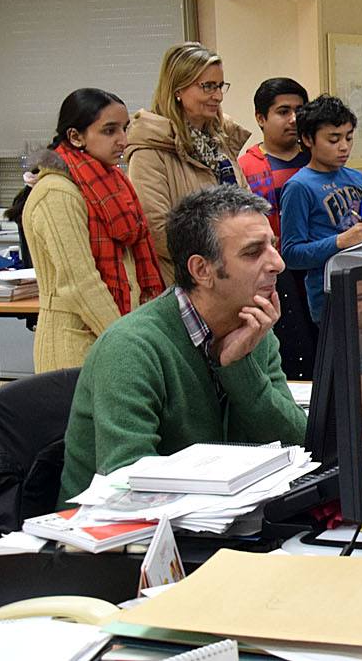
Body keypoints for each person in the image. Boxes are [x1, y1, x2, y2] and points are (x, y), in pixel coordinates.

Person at [59, 185, 306, 500]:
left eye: (273, 245)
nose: (278, 263)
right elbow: (127, 480)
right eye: (253, 252)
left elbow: (296, 446)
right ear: (202, 270)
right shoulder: (131, 347)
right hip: (113, 537)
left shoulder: (253, 328)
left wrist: (237, 366)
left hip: (218, 522)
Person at [23, 88, 165, 371]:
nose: (122, 140)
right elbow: (80, 283)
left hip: (115, 337)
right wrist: (127, 341)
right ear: (75, 136)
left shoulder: (114, 183)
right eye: (109, 131)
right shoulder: (57, 191)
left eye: (124, 129)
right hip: (76, 348)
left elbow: (131, 271)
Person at [127, 42, 250, 283]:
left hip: (233, 274)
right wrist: (222, 254)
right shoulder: (150, 150)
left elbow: (245, 202)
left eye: (220, 86)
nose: (217, 96)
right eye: (207, 87)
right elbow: (158, 231)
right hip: (190, 281)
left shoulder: (219, 140)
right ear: (177, 90)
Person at [239, 77, 317, 380]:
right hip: (274, 278)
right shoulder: (245, 167)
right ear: (261, 118)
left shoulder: (318, 160)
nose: (294, 119)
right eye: (283, 111)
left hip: (315, 272)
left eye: (300, 109)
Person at [278, 96, 362, 324]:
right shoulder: (299, 187)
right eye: (333, 140)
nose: (344, 147)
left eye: (349, 138)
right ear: (307, 139)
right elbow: (291, 254)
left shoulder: (358, 178)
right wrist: (339, 242)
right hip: (329, 300)